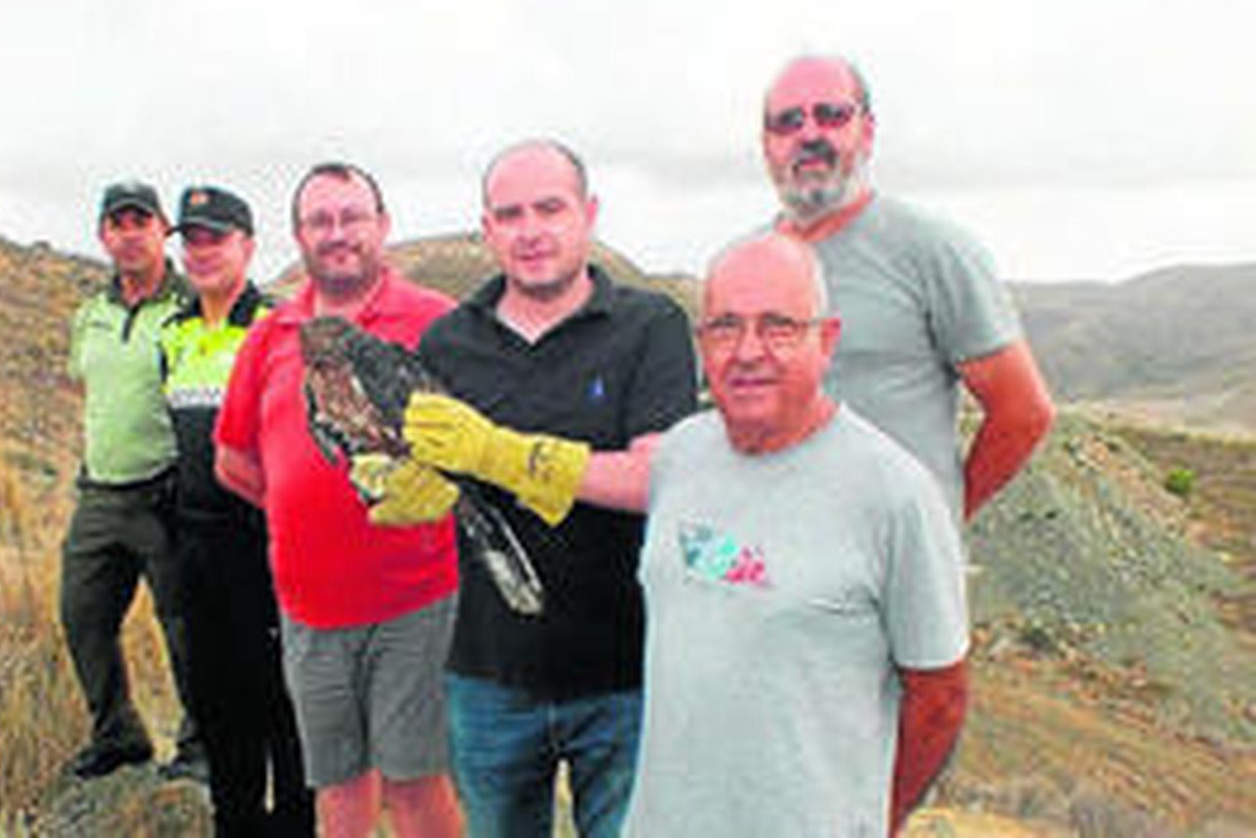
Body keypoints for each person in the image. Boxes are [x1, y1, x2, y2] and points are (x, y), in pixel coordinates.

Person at [626, 234, 969, 835]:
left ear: (827, 340)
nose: (748, 351)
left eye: (778, 326)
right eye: (725, 328)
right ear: (702, 343)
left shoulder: (894, 494)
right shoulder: (680, 454)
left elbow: (939, 699)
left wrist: (868, 820)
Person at [409, 140, 698, 838]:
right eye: (509, 214)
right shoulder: (446, 343)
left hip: (627, 673)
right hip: (487, 674)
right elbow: (431, 475)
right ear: (487, 230)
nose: (531, 229)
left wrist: (509, 456)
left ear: (588, 214)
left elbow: (662, 477)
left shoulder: (650, 326)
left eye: (550, 208)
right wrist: (403, 483)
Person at [212, 163, 465, 838]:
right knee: (339, 789)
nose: (338, 233)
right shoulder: (270, 336)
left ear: (382, 226)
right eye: (320, 221)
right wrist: (308, 514)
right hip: (309, 610)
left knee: (416, 787)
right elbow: (233, 460)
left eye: (352, 216)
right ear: (298, 236)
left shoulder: (438, 322)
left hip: (416, 601)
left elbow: (482, 450)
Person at [757, 54, 1054, 523]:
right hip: (772, 563)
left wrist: (936, 528)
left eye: (831, 115)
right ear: (766, 144)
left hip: (893, 579)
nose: (809, 134)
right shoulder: (742, 263)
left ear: (868, 131)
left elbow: (1023, 411)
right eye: (787, 122)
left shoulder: (935, 251)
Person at [160, 185, 312, 834]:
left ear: (248, 245)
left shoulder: (281, 330)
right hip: (195, 550)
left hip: (267, 546)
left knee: (284, 707)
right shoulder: (175, 332)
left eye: (215, 238)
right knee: (219, 710)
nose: (201, 252)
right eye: (191, 240)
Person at [59, 180, 198, 779]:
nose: (129, 233)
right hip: (100, 493)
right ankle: (118, 735)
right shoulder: (89, 314)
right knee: (82, 615)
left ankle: (202, 748)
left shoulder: (190, 307)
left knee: (186, 629)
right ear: (103, 236)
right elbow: (88, 386)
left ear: (162, 229)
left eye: (141, 221)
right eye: (118, 223)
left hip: (166, 494)